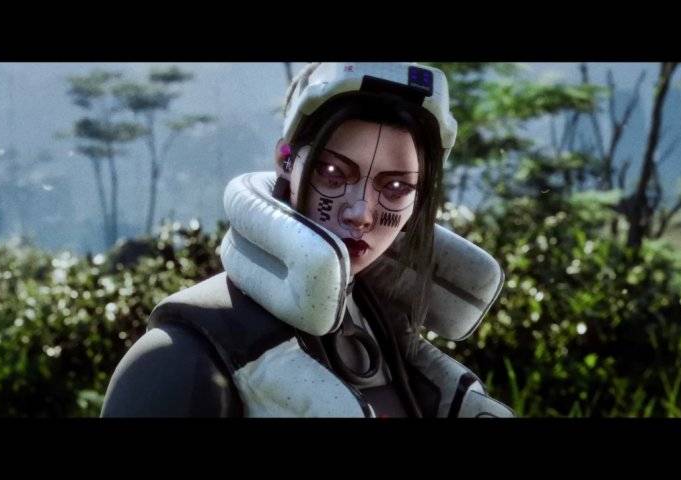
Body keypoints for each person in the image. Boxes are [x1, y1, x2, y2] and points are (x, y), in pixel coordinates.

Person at [101, 62, 515, 417]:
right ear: (285, 161)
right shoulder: (181, 357)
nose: (361, 212)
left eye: (396, 188)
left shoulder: (390, 341)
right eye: (333, 174)